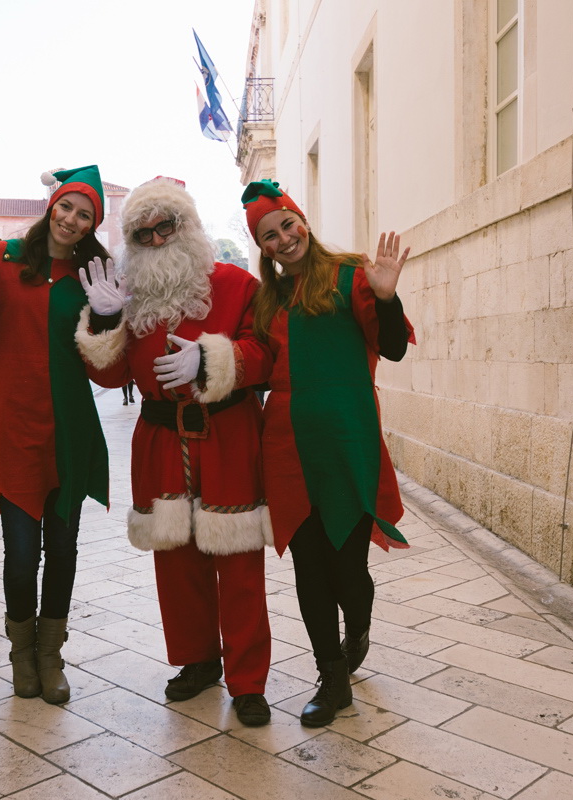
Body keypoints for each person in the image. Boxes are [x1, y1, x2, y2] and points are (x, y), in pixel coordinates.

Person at [76, 177, 274, 726]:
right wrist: (106, 319)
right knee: (176, 562)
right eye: (143, 234)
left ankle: (249, 681)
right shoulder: (131, 299)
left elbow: (265, 352)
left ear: (188, 225)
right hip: (162, 439)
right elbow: (111, 376)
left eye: (166, 226)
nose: (157, 240)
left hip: (228, 434)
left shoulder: (236, 284)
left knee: (238, 564)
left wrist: (211, 359)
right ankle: (198, 660)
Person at [241, 180, 416, 727]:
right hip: (287, 444)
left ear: (303, 222)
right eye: (269, 236)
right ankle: (331, 677)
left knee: (348, 570)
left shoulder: (352, 275)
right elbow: (257, 366)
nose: (283, 239)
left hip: (347, 440)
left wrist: (386, 297)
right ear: (262, 248)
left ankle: (357, 629)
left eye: (286, 225)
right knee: (310, 569)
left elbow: (392, 347)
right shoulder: (267, 298)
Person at [0, 166, 111, 705]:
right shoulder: (3, 258)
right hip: (13, 426)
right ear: (51, 206)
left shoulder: (92, 277)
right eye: (67, 207)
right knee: (20, 555)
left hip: (69, 429)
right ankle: (21, 654)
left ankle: (50, 655)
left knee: (62, 549)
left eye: (85, 215)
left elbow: (108, 369)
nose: (72, 220)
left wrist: (110, 316)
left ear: (92, 226)